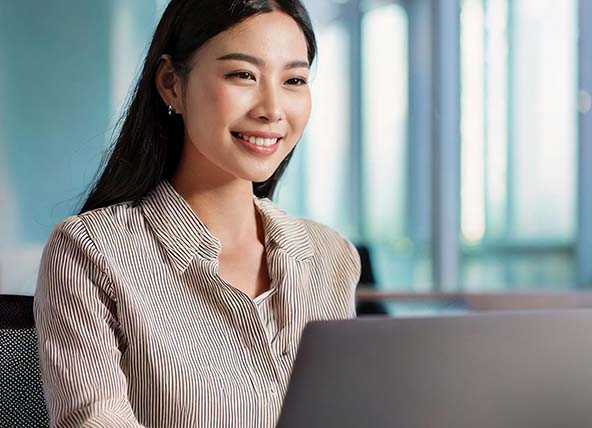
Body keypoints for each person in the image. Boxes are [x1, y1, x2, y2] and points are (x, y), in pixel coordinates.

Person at [34, 0, 361, 426]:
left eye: (294, 79)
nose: (272, 109)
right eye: (243, 74)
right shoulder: (90, 252)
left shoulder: (330, 256)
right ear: (172, 84)